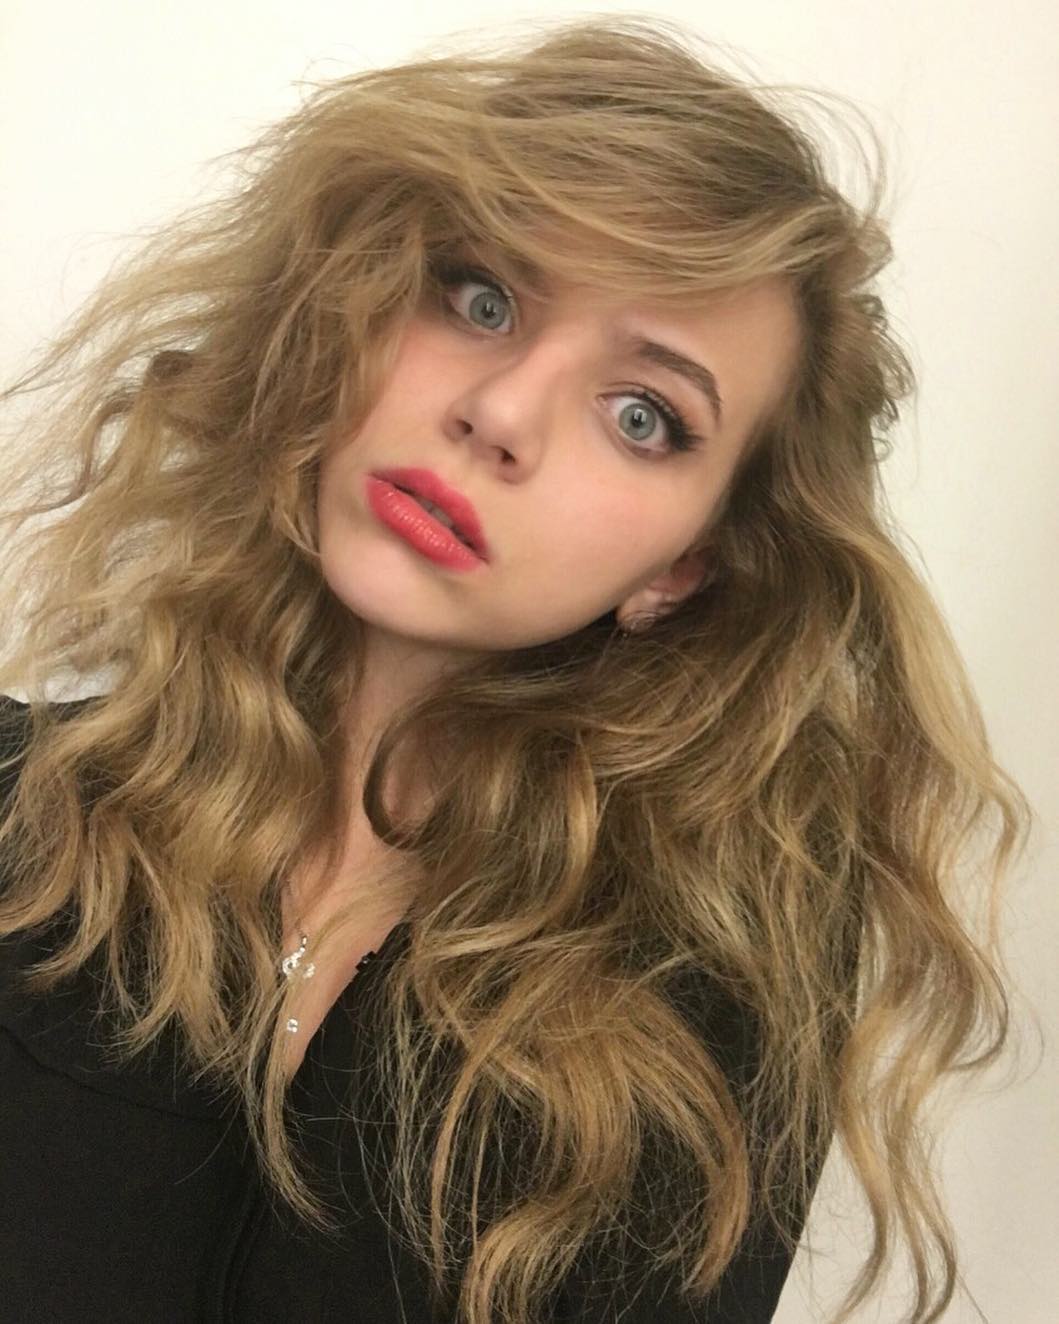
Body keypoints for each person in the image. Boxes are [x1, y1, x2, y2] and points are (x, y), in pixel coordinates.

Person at [0, 15, 1032, 1324]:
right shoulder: (26, 814)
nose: (498, 413)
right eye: (481, 299)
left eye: (643, 414)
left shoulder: (696, 1014)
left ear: (683, 568)